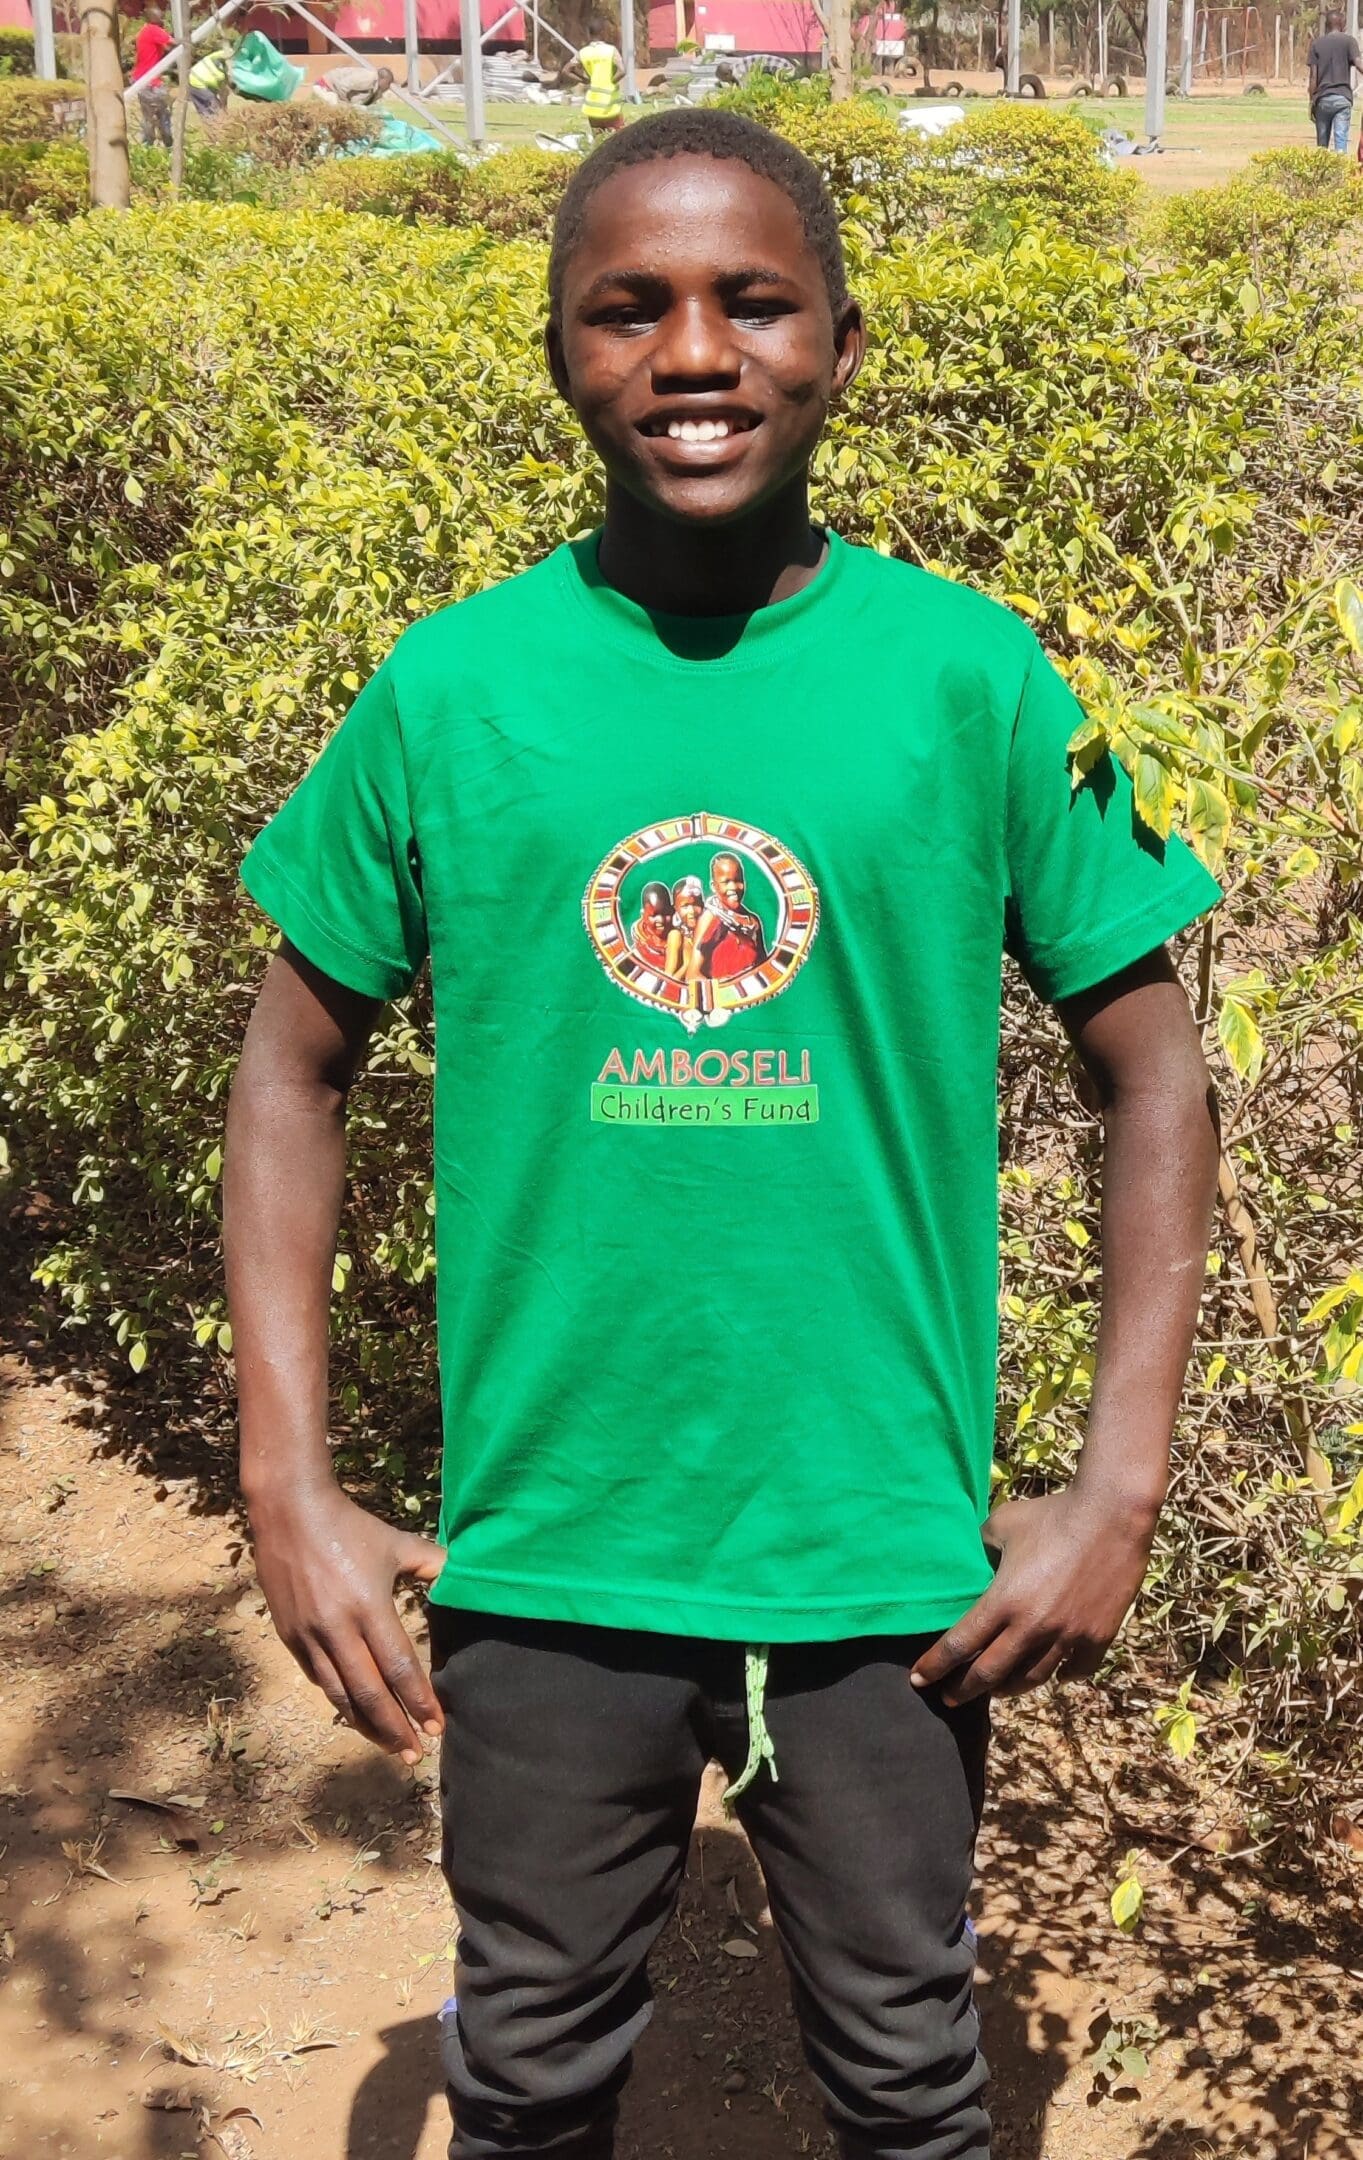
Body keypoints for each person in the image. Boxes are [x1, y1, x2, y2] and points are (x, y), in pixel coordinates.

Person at [226, 106, 1222, 2160]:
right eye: (630, 308)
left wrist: (1117, 1480)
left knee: (908, 2083)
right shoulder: (455, 690)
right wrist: (286, 1485)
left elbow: (1157, 1065)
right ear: (562, 354)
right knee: (528, 2072)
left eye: (753, 301)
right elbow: (289, 1066)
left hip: (883, 1570)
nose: (695, 351)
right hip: (552, 1551)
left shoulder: (972, 680)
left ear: (843, 343)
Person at [686, 851, 769, 982]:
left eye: (738, 880)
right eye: (726, 881)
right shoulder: (710, 918)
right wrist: (724, 990)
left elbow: (764, 966)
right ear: (714, 886)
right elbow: (692, 975)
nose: (734, 887)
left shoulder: (752, 922)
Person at [1307, 9, 1361, 151]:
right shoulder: (1349, 41)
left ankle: (1322, 171)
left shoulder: (1317, 44)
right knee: (1341, 140)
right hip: (1343, 98)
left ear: (1327, 25)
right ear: (1342, 25)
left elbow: (1313, 78)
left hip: (1323, 99)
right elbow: (1359, 64)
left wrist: (1311, 102)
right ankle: (1341, 171)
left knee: (1321, 146)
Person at [571, 15, 625, 133]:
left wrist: (584, 79)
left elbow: (567, 70)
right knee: (619, 139)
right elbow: (622, 71)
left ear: (589, 34)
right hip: (610, 105)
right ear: (603, 32)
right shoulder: (610, 50)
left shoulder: (583, 52)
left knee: (598, 140)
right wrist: (611, 81)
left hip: (593, 106)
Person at [131, 4, 175, 149]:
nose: (162, 18)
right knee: (162, 113)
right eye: (160, 15)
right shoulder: (153, 30)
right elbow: (173, 43)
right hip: (150, 81)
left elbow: (166, 47)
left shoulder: (145, 31)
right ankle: (167, 144)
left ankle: (147, 146)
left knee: (149, 115)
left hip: (143, 79)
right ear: (154, 18)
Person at [664, 873, 704, 979]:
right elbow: (668, 980)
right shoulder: (676, 936)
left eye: (696, 904)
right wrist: (687, 965)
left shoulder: (708, 931)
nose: (692, 911)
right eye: (685, 906)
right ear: (675, 908)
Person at [629, 880, 673, 968]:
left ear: (673, 911)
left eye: (666, 913)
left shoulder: (681, 936)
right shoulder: (640, 946)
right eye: (654, 915)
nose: (661, 920)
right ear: (643, 915)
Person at [315, 61, 395, 106]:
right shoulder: (368, 78)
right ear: (383, 79)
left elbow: (357, 99)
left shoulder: (373, 85)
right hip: (325, 87)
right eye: (388, 83)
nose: (388, 87)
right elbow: (343, 85)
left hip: (331, 90)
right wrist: (346, 104)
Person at [188, 43, 232, 119]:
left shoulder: (214, 56)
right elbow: (223, 93)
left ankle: (208, 123)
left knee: (202, 109)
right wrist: (224, 108)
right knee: (215, 107)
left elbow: (229, 52)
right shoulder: (221, 75)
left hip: (190, 80)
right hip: (199, 84)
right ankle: (219, 123)